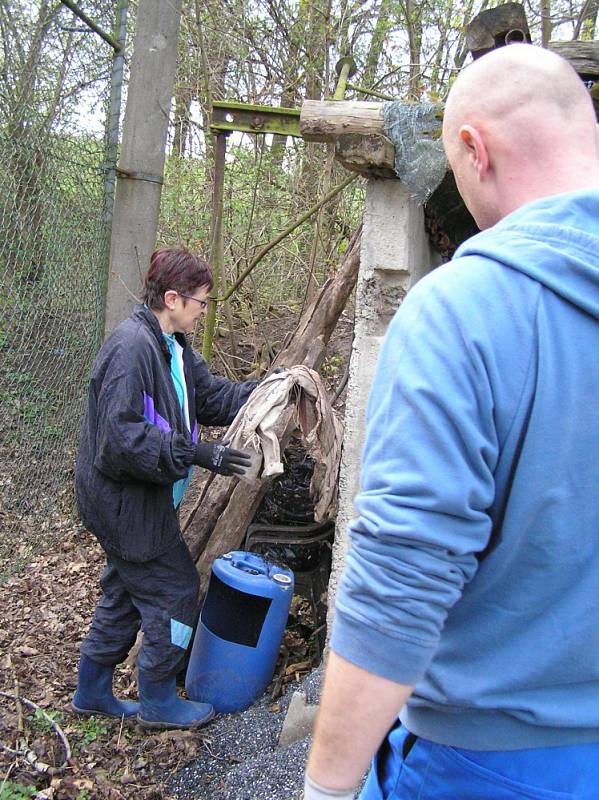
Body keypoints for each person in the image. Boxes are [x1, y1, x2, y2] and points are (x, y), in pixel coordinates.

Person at [305, 44, 599, 799]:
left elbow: (403, 571)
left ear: (473, 148)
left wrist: (326, 785)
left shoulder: (463, 309)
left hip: (493, 761)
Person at [72, 246, 258, 730]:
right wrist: (194, 453)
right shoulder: (132, 347)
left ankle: (91, 690)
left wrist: (265, 387)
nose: (204, 308)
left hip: (142, 497)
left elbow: (211, 397)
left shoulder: (172, 346)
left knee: (124, 589)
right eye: (200, 300)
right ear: (172, 298)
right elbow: (119, 438)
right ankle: (158, 699)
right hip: (122, 502)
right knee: (176, 589)